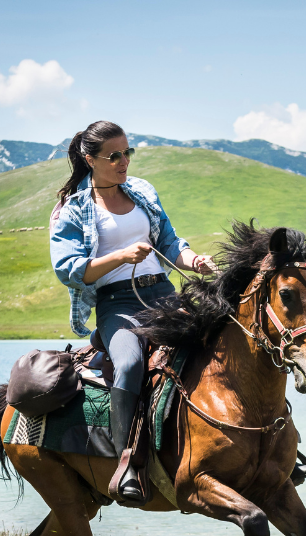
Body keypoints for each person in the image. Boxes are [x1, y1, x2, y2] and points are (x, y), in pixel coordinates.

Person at [49, 120, 216, 504]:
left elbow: (170, 242)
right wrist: (121, 256)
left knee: (224, 339)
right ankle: (130, 465)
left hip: (163, 294)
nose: (124, 161)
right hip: (117, 304)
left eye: (128, 152)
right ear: (90, 160)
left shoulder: (142, 191)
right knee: (128, 364)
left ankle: (268, 442)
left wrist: (195, 261)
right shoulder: (72, 210)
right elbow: (69, 269)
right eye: (114, 156)